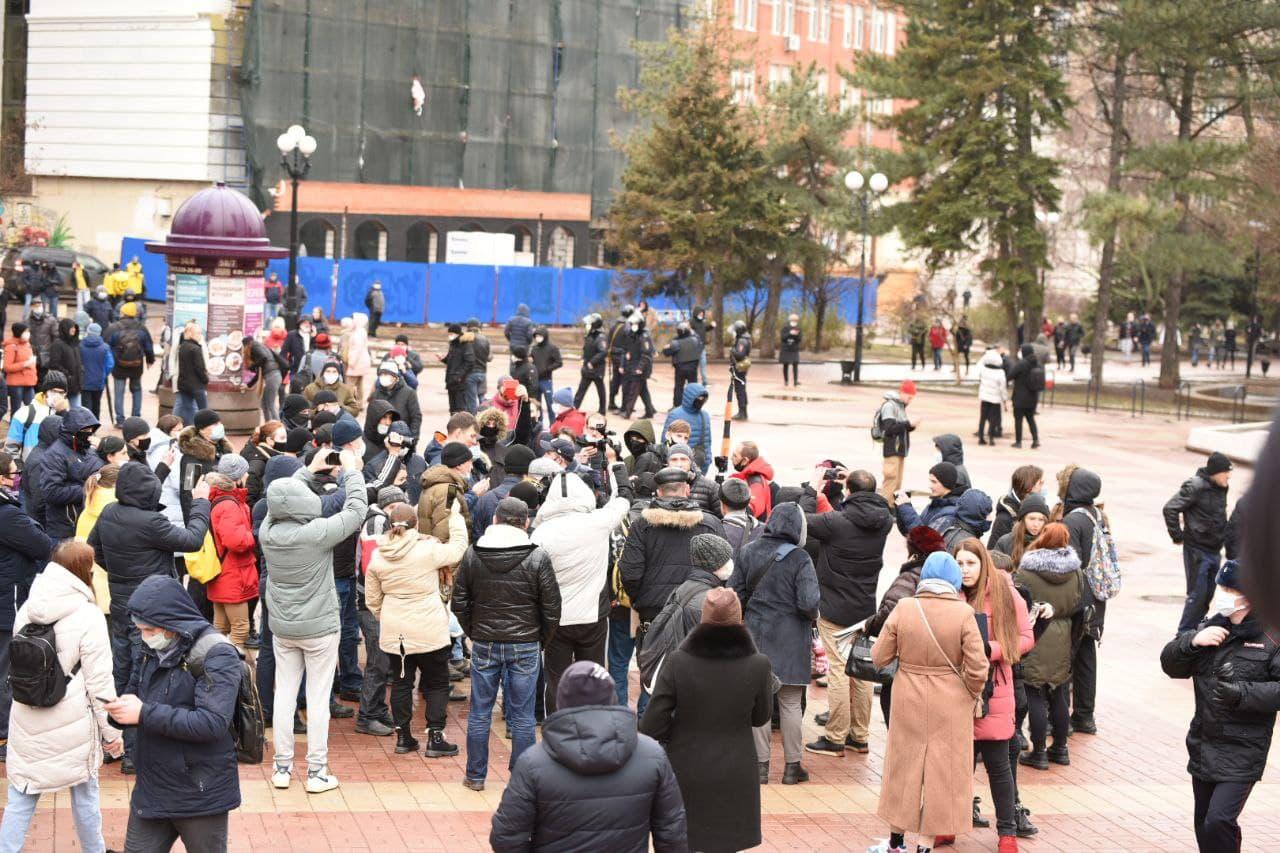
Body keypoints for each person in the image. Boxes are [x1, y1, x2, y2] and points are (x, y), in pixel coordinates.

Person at [490, 660, 687, 853]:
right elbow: (673, 835)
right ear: (612, 698)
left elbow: (506, 837)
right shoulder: (652, 756)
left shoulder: (533, 762)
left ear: (561, 701)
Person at [0, 541, 120, 853]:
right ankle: (94, 850)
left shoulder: (28, 607)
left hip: (27, 714)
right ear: (84, 571)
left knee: (22, 794)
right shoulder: (88, 615)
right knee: (85, 793)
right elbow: (99, 683)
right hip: (73, 720)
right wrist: (112, 733)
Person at [260, 448, 368, 793]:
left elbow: (282, 499)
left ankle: (281, 769)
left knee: (285, 695)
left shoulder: (268, 531)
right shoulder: (317, 532)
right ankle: (317, 772)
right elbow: (356, 510)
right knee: (318, 699)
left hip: (282, 627)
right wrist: (350, 471)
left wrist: (306, 471)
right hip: (320, 627)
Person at [868, 552, 989, 853]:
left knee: (903, 767)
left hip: (907, 693)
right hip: (950, 701)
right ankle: (925, 845)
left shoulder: (905, 607)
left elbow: (879, 656)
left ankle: (896, 841)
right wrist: (971, 693)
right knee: (942, 774)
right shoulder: (963, 614)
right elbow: (978, 667)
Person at [109, 575, 241, 851]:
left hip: (199, 791)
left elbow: (212, 723)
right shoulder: (149, 647)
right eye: (140, 629)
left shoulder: (216, 654)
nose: (144, 636)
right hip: (153, 786)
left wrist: (144, 713)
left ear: (170, 625)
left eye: (148, 629)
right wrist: (119, 711)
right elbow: (134, 693)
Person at [640, 586, 774, 853]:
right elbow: (761, 717)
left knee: (688, 840)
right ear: (739, 618)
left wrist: (675, 733)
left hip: (687, 765)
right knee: (728, 842)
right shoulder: (758, 664)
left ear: (703, 618)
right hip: (737, 768)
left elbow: (650, 724)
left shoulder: (679, 662)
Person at [1160, 560, 1280, 853]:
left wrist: (1241, 693)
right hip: (1204, 743)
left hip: (1243, 747)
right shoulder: (1211, 628)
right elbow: (1171, 666)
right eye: (1222, 588)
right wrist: (1191, 642)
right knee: (1204, 824)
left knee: (1219, 820)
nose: (1223, 594)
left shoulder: (1272, 636)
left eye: (1230, 589)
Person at [452, 496, 561, 791]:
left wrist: (473, 631)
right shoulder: (537, 556)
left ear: (495, 520)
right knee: (523, 716)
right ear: (525, 522)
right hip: (525, 642)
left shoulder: (473, 554)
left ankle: (475, 775)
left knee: (480, 712)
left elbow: (458, 601)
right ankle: (521, 780)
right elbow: (552, 608)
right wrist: (540, 639)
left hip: (486, 641)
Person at [803, 469, 894, 757]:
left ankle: (835, 737)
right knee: (861, 671)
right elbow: (872, 501)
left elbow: (799, 522)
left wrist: (812, 489)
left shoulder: (835, 522)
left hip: (833, 606)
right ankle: (860, 735)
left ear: (849, 491)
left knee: (840, 670)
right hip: (864, 606)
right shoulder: (885, 522)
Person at [366, 501, 468, 757]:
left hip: (395, 632)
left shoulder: (379, 554)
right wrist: (455, 517)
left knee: (401, 683)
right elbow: (458, 549)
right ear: (416, 524)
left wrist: (386, 615)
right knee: (436, 683)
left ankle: (403, 737)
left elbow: (372, 599)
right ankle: (435, 737)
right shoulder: (428, 550)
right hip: (430, 629)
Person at [530, 465, 630, 715]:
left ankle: (555, 728)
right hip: (592, 616)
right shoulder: (597, 522)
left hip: (556, 620)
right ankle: (593, 723)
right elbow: (623, 501)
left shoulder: (541, 533)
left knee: (555, 680)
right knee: (594, 676)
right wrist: (618, 470)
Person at [731, 504, 819, 786]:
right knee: (791, 702)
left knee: (761, 701)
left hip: (756, 636)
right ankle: (793, 768)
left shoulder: (748, 551)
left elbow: (735, 594)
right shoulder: (800, 558)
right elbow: (808, 603)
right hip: (792, 638)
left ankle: (760, 768)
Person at [955, 538, 1033, 850]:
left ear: (983, 564)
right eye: (959, 563)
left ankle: (1007, 834)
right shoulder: (951, 594)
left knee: (1000, 769)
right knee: (955, 769)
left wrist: (992, 649)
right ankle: (949, 823)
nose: (964, 570)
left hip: (995, 692)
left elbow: (1025, 638)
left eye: (970, 563)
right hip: (957, 692)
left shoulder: (1005, 593)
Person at [1012, 523, 1082, 774]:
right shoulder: (1075, 571)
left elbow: (1017, 599)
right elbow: (1077, 602)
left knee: (1035, 694)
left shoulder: (1027, 569)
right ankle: (1061, 748)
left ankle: (1039, 751)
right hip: (1063, 636)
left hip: (1036, 632)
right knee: (1060, 694)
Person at [619, 467, 726, 632]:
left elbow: (630, 572)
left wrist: (642, 599)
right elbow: (724, 569)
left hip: (653, 612)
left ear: (659, 493)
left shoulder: (641, 525)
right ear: (688, 490)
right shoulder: (710, 524)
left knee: (654, 657)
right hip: (700, 610)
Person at [0, 450, 55, 762]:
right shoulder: (8, 515)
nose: (15, 479)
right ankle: (5, 735)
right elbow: (42, 545)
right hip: (8, 601)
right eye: (10, 474)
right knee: (6, 671)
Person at [864, 525, 948, 724]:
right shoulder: (947, 577)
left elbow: (888, 614)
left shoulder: (911, 576)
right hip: (933, 667)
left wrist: (870, 624)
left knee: (897, 725)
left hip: (904, 663)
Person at [1055, 464, 1106, 735]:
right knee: (1086, 657)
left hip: (1077, 598)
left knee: (1064, 657)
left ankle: (1060, 718)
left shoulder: (1073, 520)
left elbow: (1069, 563)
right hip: (1095, 599)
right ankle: (1085, 716)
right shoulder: (1096, 515)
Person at [1163, 451, 1232, 633]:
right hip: (1197, 550)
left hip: (1215, 549)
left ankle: (1197, 631)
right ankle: (1183, 634)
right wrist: (1177, 536)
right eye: (1226, 473)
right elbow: (1170, 508)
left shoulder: (1221, 488)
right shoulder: (1195, 486)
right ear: (1216, 472)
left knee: (1208, 594)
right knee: (1197, 595)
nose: (1228, 477)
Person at [205, 456, 258, 654]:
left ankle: (215, 664)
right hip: (233, 573)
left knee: (220, 626)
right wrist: (253, 536)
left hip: (221, 572)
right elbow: (236, 541)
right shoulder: (229, 504)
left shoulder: (217, 499)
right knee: (240, 628)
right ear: (236, 478)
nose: (247, 475)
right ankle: (231, 669)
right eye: (244, 472)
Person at [40, 406, 104, 540]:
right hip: (65, 528)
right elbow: (51, 492)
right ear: (73, 431)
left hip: (87, 521)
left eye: (91, 431)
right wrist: (88, 488)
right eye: (85, 431)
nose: (89, 434)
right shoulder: (54, 455)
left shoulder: (87, 449)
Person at [104, 302, 155, 425]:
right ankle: (136, 418)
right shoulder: (142, 328)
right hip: (136, 365)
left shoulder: (113, 328)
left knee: (119, 392)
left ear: (123, 313)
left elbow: (105, 346)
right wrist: (150, 360)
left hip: (118, 365)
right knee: (136, 390)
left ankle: (120, 420)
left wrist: (107, 363)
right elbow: (148, 346)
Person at [876, 380, 918, 503]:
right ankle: (885, 507)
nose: (910, 401)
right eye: (909, 397)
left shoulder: (900, 406)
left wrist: (912, 425)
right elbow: (889, 429)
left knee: (897, 481)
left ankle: (893, 506)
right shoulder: (890, 406)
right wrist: (908, 424)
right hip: (892, 449)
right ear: (902, 393)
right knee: (890, 480)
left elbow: (902, 428)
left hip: (900, 450)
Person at [369, 360, 422, 451]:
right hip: (381, 443)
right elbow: (372, 418)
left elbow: (416, 417)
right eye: (381, 374)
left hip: (402, 441)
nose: (383, 377)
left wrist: (412, 439)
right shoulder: (377, 393)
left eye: (386, 374)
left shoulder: (409, 393)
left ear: (395, 377)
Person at [988, 465, 1044, 549]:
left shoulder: (1039, 509)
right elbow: (994, 552)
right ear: (1029, 487)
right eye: (1040, 483)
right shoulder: (1005, 518)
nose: (1042, 488)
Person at [662, 382, 712, 474]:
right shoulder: (675, 414)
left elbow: (707, 442)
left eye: (703, 398)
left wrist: (707, 462)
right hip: (676, 464)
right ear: (690, 397)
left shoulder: (705, 416)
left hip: (697, 466)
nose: (701, 400)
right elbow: (665, 442)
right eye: (699, 397)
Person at [992, 494, 1050, 565]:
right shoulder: (1005, 542)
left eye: (1041, 520)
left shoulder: (1049, 544)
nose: (1036, 524)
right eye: (1032, 519)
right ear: (1023, 519)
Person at [620, 312, 656, 419]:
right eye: (632, 323)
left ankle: (628, 412)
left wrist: (640, 368)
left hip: (641, 368)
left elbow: (646, 354)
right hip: (633, 365)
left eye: (635, 323)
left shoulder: (644, 336)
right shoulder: (632, 334)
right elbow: (627, 349)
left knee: (633, 390)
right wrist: (624, 363)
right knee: (643, 391)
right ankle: (649, 411)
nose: (633, 325)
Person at [1006, 344, 1042, 449]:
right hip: (1033, 397)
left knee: (1018, 420)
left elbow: (1010, 376)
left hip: (1020, 397)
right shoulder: (1037, 364)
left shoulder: (1021, 364)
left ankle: (1018, 442)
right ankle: (1035, 440)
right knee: (1031, 419)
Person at [173, 321, 209, 426]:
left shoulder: (183, 346)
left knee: (185, 408)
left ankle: (185, 428)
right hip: (197, 386)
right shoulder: (196, 348)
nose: (200, 335)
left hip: (184, 384)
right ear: (191, 334)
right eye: (198, 333)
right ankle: (202, 430)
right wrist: (205, 380)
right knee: (204, 412)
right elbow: (200, 368)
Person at [729, 441, 774, 521]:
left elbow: (751, 509)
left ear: (745, 461)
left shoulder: (756, 482)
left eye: (735, 456)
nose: (731, 458)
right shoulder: (747, 477)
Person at [662, 321, 702, 408]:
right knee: (693, 387)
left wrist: (666, 348)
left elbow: (667, 353)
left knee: (679, 388)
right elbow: (699, 349)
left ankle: (677, 406)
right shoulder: (695, 339)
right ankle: (695, 405)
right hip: (692, 368)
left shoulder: (676, 342)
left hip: (680, 368)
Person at [79, 323, 112, 421]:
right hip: (99, 381)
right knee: (96, 403)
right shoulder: (105, 347)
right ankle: (95, 423)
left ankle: (86, 426)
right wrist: (103, 374)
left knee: (85, 405)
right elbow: (110, 364)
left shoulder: (80, 345)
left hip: (84, 380)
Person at [46, 319, 83, 408]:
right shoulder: (57, 344)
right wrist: (67, 375)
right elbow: (54, 364)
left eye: (74, 327)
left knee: (76, 411)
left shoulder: (75, 343)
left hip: (75, 385)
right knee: (58, 410)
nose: (73, 329)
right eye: (71, 327)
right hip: (61, 386)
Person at [3, 323, 38, 417]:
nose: (28, 333)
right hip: (16, 384)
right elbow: (7, 367)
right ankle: (14, 430)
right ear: (19, 333)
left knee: (32, 409)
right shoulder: (11, 346)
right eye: (25, 331)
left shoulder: (28, 345)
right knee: (16, 410)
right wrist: (24, 364)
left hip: (29, 382)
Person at [442, 323, 477, 414]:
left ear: (458, 334)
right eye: (449, 334)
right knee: (452, 409)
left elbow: (470, 362)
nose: (450, 336)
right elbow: (452, 360)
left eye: (451, 334)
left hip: (460, 383)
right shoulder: (453, 344)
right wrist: (443, 359)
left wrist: (459, 376)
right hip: (451, 381)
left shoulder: (465, 345)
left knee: (460, 409)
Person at [976, 347, 1007, 445]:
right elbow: (1003, 388)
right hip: (995, 399)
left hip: (984, 397)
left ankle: (981, 436)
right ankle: (991, 437)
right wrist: (1005, 400)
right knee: (993, 419)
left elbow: (979, 376)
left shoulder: (983, 370)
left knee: (983, 418)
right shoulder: (1000, 372)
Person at [729, 320, 752, 420]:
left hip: (740, 367)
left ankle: (742, 412)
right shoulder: (744, 338)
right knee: (741, 389)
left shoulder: (742, 341)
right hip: (740, 367)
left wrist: (732, 350)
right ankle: (743, 411)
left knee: (740, 390)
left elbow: (740, 354)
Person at [779, 313, 802, 386]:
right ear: (790, 320)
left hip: (794, 349)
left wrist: (796, 335)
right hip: (786, 348)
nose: (794, 321)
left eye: (795, 320)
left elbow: (799, 339)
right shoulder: (785, 328)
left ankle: (795, 381)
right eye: (793, 320)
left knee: (795, 364)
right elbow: (783, 338)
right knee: (785, 365)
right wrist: (790, 333)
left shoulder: (798, 328)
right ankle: (786, 381)